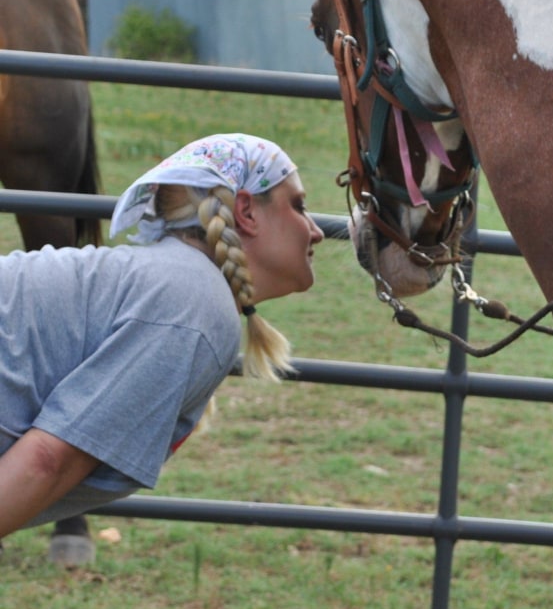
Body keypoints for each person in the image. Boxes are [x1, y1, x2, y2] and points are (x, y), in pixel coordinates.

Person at [0, 133, 323, 542]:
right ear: (246, 211)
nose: (316, 231)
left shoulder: (185, 289)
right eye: (299, 206)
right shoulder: (194, 303)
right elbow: (46, 463)